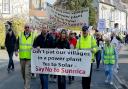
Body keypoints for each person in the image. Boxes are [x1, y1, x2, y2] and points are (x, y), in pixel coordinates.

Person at [33, 25, 54, 89]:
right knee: (42, 77)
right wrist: (36, 47)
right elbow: (34, 45)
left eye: (45, 28)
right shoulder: (38, 38)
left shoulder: (50, 37)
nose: (44, 29)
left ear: (47, 29)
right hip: (40, 61)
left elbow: (53, 46)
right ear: (41, 29)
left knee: (45, 77)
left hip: (47, 61)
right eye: (43, 28)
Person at [15, 24, 35, 89]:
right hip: (22, 57)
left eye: (28, 27)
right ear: (24, 28)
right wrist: (16, 50)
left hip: (29, 57)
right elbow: (17, 43)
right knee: (23, 72)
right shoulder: (20, 35)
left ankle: (27, 86)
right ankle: (26, 82)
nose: (27, 28)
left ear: (30, 28)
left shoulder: (33, 36)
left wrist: (35, 47)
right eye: (25, 27)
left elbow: (36, 44)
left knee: (27, 72)